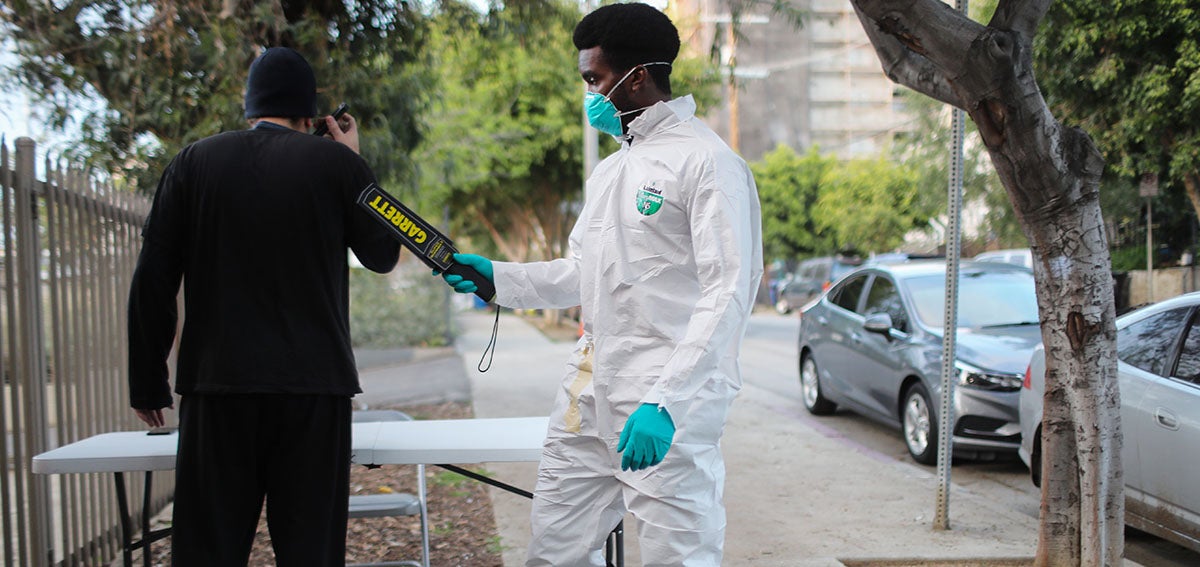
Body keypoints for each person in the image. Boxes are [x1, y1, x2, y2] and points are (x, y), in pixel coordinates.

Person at [440, 4, 763, 565]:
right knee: (553, 551)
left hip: (664, 408)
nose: (588, 93)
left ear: (637, 76)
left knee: (677, 557)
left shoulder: (708, 162)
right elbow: (582, 274)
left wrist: (665, 401)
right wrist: (501, 279)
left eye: (595, 79)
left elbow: (729, 289)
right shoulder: (610, 170)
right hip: (587, 396)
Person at [127, 46, 401, 565]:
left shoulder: (192, 162)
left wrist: (147, 378)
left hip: (217, 390)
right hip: (313, 391)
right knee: (310, 551)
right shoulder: (336, 164)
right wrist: (353, 159)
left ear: (249, 107)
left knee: (208, 549)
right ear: (311, 113)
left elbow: (153, 279)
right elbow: (383, 253)